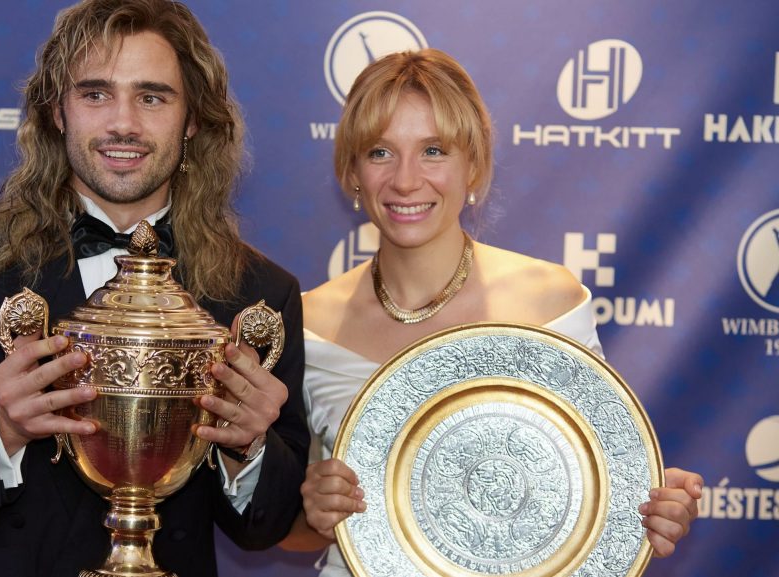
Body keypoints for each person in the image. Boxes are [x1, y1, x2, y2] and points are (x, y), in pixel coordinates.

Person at [0, 1, 309, 576]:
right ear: (57, 112)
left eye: (152, 97)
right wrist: (0, 428)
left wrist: (250, 449)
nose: (123, 124)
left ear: (192, 120)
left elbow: (269, 527)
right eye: (95, 94)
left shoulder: (258, 293)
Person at [278, 48, 702, 575]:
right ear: (352, 173)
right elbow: (290, 532)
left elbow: (601, 491)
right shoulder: (307, 323)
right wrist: (314, 515)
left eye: (433, 150)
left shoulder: (550, 300)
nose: (407, 180)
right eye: (380, 152)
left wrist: (654, 511)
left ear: (473, 166)